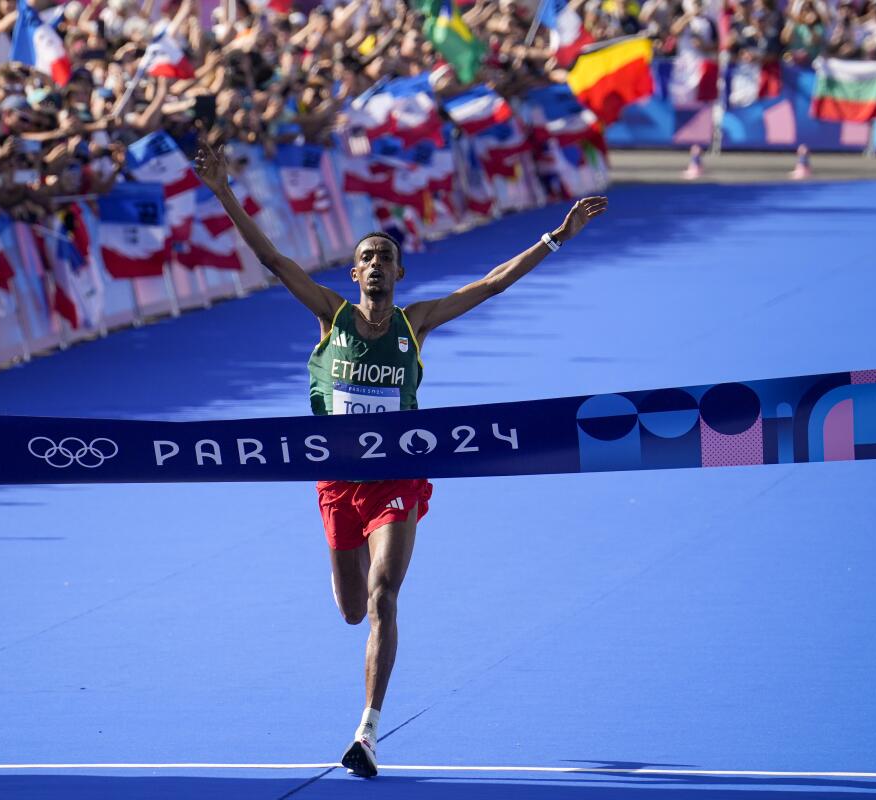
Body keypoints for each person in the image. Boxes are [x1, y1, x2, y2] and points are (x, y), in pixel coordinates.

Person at [193, 141, 607, 778]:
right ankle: (361, 662)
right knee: (352, 608)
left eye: (385, 257)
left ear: (399, 274)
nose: (375, 264)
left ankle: (368, 732)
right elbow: (274, 260)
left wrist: (557, 235)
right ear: (354, 275)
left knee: (384, 595)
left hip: (397, 477)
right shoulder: (332, 317)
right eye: (366, 258)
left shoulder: (416, 322)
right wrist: (223, 192)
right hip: (337, 480)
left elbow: (491, 284)